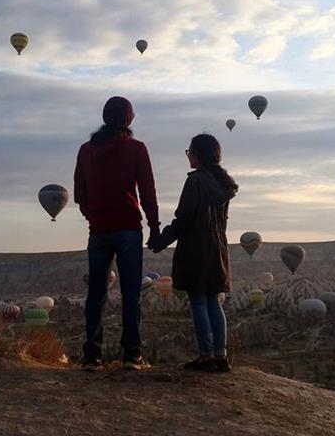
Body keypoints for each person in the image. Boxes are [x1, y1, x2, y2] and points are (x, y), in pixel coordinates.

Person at [74, 96, 160, 371]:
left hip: (98, 230)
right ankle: (132, 354)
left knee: (96, 294)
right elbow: (147, 190)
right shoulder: (136, 148)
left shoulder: (86, 150)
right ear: (129, 119)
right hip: (127, 228)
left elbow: (79, 193)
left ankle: (91, 356)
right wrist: (155, 226)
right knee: (131, 293)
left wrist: (94, 216)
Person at [148, 134, 238, 372]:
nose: (188, 156)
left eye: (190, 152)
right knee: (213, 302)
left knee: (198, 300)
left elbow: (184, 219)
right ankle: (221, 356)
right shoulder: (223, 184)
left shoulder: (196, 181)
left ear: (199, 154)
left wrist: (161, 240)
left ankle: (205, 356)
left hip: (196, 248)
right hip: (218, 247)